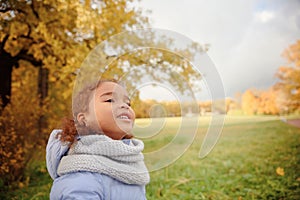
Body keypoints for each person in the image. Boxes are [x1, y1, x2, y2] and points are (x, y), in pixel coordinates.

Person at [46, 80, 150, 199]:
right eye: (110, 100)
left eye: (128, 103)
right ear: (83, 118)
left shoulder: (130, 163)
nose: (124, 105)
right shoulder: (81, 180)